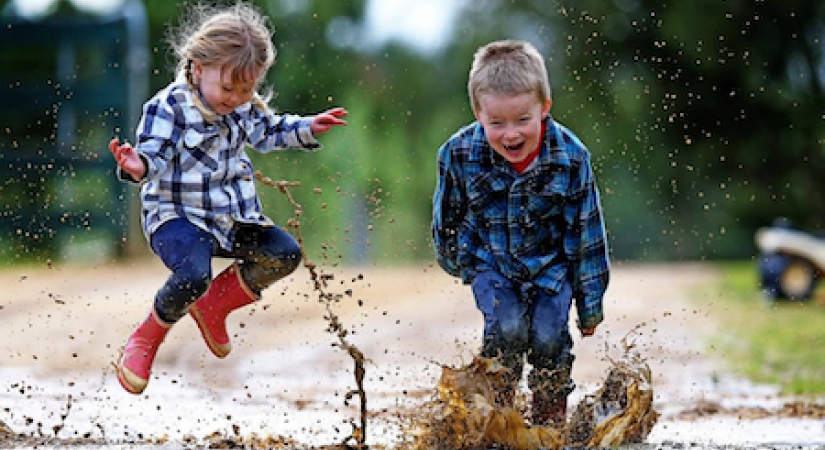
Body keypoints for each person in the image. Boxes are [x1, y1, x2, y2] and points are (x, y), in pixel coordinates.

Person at [109, 2, 348, 395]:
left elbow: (270, 131)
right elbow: (152, 156)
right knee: (193, 275)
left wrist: (308, 127)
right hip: (176, 217)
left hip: (229, 216)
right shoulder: (168, 108)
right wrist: (137, 165)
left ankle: (215, 304)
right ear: (198, 68)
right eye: (228, 87)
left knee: (284, 254)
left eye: (247, 89)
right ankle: (146, 337)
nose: (236, 98)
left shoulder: (243, 108)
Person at [431, 40, 610, 426]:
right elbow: (446, 219)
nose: (510, 134)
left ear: (544, 108)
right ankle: (499, 415)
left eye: (522, 120)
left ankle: (548, 421)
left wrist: (589, 303)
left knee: (548, 338)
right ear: (478, 114)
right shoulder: (457, 155)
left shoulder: (571, 157)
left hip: (551, 270)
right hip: (490, 263)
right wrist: (463, 263)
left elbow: (587, 234)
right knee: (507, 329)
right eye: (496, 123)